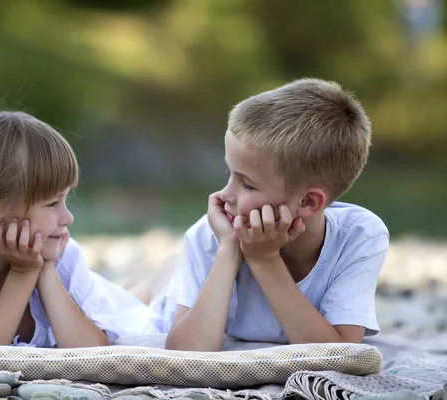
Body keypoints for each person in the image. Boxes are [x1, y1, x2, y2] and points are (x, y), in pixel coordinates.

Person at [158, 78, 389, 351]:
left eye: (247, 184)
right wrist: (229, 250)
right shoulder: (211, 236)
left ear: (307, 201)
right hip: (162, 305)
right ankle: (158, 280)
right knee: (145, 300)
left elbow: (338, 353)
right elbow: (184, 356)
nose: (223, 196)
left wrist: (265, 260)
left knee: (163, 277)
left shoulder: (360, 236)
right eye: (228, 173)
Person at [0, 109, 161, 349]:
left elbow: (93, 352)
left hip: (127, 312)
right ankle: (148, 286)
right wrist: (23, 273)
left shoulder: (60, 250)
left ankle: (153, 283)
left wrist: (46, 269)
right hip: (109, 295)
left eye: (65, 200)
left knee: (156, 307)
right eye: (52, 203)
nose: (68, 217)